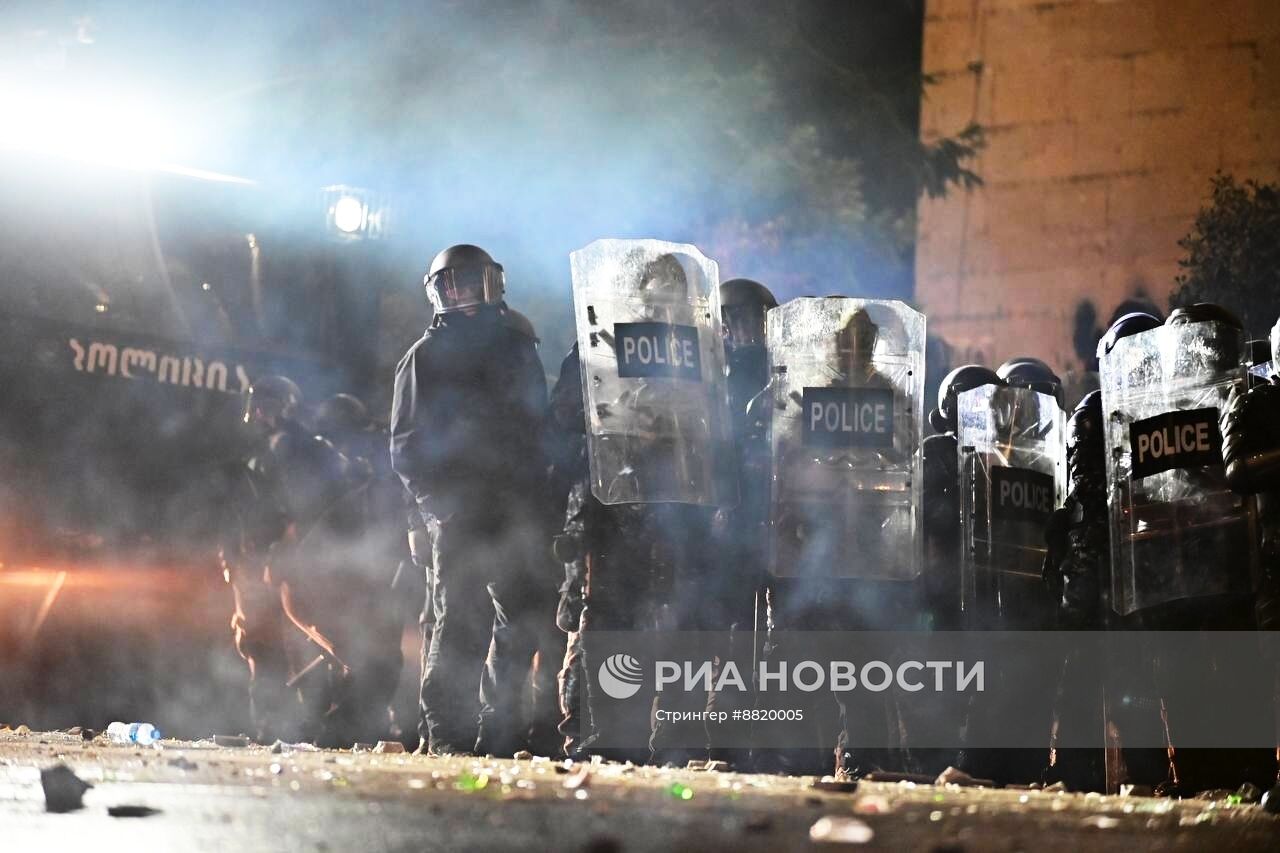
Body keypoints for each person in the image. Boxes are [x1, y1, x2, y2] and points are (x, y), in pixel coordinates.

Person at [390, 244, 556, 757]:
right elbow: (405, 445)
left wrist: (538, 497)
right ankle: (448, 735)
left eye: (468, 282)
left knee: (522, 617)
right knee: (457, 620)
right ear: (437, 289)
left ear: (490, 284)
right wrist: (433, 509)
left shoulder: (516, 346)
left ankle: (500, 731)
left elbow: (538, 426)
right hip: (459, 510)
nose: (459, 293)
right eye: (450, 284)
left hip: (514, 508)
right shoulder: (425, 355)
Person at [221, 375, 367, 745]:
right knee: (257, 642)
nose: (256, 412)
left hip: (294, 558)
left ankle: (339, 707)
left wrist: (289, 548)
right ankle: (272, 727)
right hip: (253, 555)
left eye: (265, 404)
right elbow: (237, 507)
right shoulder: (253, 451)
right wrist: (231, 555)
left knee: (309, 624)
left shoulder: (305, 449)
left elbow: (311, 505)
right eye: (255, 404)